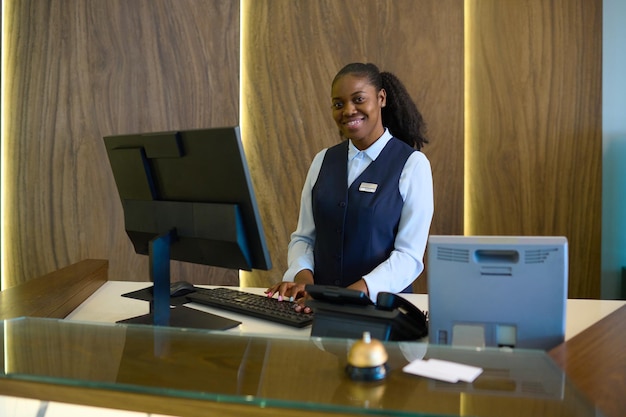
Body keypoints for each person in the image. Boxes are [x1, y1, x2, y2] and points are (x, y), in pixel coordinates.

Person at [266, 62, 433, 311]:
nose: (348, 110)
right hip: (317, 309)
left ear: (381, 98)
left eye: (358, 99)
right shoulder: (323, 160)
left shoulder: (412, 164)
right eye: (338, 104)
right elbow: (304, 237)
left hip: (383, 312)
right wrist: (304, 282)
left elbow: (409, 257)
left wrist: (352, 294)